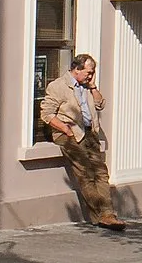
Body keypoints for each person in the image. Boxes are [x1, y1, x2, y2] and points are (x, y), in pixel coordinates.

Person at [40, 55, 124, 231]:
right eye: (88, 72)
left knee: (101, 173)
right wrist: (66, 129)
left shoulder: (87, 87)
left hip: (89, 133)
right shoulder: (58, 86)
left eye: (92, 72)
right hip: (69, 135)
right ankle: (103, 215)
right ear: (76, 69)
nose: (90, 75)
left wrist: (92, 86)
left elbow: (100, 104)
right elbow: (47, 114)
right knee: (85, 173)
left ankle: (107, 214)